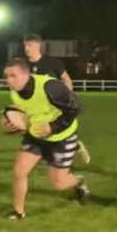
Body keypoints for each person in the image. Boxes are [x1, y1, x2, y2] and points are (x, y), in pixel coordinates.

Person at [2, 58, 90, 220]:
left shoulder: (50, 87)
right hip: (36, 136)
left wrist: (53, 127)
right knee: (19, 171)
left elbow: (76, 108)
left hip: (62, 137)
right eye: (6, 76)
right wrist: (9, 127)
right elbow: (24, 116)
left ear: (26, 74)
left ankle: (80, 182)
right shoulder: (14, 93)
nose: (8, 80)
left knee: (58, 183)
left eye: (13, 76)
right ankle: (18, 211)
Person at [23, 34, 90, 164]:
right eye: (25, 45)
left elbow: (66, 79)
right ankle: (66, 149)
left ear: (38, 46)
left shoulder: (53, 63)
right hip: (34, 107)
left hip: (53, 106)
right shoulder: (23, 65)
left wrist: (68, 97)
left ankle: (73, 147)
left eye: (29, 45)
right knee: (36, 131)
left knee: (51, 132)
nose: (26, 48)